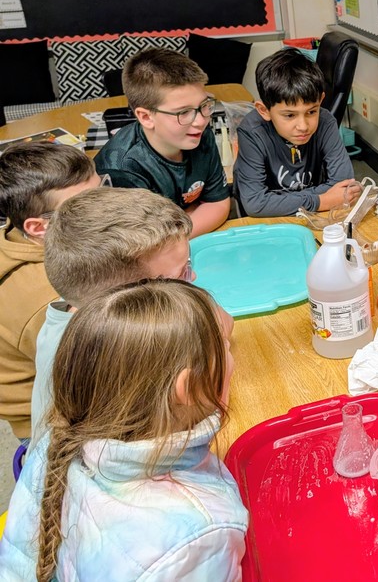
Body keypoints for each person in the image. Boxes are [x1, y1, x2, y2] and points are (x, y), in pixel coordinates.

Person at [0, 279, 248, 581]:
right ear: (190, 387)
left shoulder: (57, 439)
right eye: (224, 348)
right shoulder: (198, 536)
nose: (230, 355)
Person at [29, 187, 202, 449]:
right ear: (125, 303)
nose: (194, 278)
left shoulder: (85, 303)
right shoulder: (109, 353)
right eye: (182, 274)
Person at [0, 143, 104, 441]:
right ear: (38, 227)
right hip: (54, 420)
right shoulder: (51, 298)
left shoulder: (23, 231)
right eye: (83, 207)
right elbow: (99, 375)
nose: (106, 207)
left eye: (102, 191)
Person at [95, 47, 230, 237]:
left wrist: (180, 224)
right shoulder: (122, 168)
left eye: (204, 105)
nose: (201, 121)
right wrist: (192, 211)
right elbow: (148, 239)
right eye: (183, 112)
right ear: (146, 117)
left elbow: (218, 204)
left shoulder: (198, 134)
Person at [234, 48, 360, 217]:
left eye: (312, 112)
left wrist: (279, 201)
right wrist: (321, 201)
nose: (303, 126)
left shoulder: (326, 121)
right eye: (290, 115)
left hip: (312, 217)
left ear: (321, 100)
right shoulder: (252, 131)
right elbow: (255, 204)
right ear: (264, 110)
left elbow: (345, 187)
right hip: (270, 220)